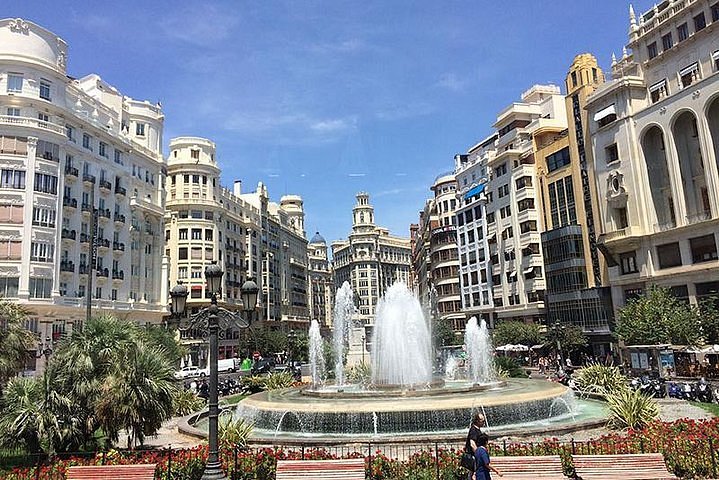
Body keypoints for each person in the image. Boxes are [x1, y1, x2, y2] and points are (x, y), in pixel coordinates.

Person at [465, 412, 485, 479]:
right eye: (482, 421)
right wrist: (478, 454)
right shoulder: (473, 430)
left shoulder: (477, 429)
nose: (483, 423)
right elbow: (472, 443)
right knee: (473, 474)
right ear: (477, 421)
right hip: (473, 456)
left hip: (474, 455)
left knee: (473, 473)